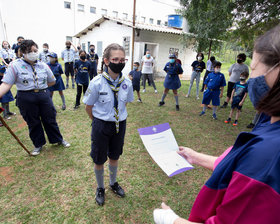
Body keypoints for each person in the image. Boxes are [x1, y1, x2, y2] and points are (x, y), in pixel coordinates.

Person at [153, 24, 280, 224]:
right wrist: (194, 157)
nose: (250, 78)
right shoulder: (269, 124)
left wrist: (169, 219)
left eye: (253, 68)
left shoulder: (268, 154)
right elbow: (238, 167)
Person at [83, 43, 134, 206]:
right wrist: (98, 122)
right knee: (99, 159)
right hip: (101, 125)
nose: (119, 62)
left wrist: (115, 117)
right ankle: (100, 187)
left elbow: (124, 103)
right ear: (106, 61)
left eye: (122, 59)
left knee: (114, 156)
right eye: (115, 59)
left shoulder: (127, 82)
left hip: (120, 124)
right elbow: (88, 107)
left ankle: (113, 183)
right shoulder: (96, 82)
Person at [0, 40, 70, 156]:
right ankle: (38, 144)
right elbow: (6, 84)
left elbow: (52, 81)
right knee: (33, 121)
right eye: (30, 51)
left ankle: (57, 139)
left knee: (50, 118)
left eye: (35, 51)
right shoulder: (14, 66)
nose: (33, 53)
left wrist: (40, 88)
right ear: (22, 52)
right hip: (26, 97)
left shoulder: (43, 65)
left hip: (43, 96)